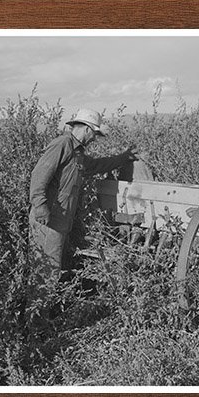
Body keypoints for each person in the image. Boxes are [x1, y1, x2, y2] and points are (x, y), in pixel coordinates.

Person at [28, 108, 135, 277]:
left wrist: (123, 158)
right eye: (94, 134)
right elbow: (38, 175)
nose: (94, 139)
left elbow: (96, 166)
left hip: (59, 220)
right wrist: (41, 207)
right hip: (48, 220)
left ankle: (46, 302)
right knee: (46, 272)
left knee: (51, 270)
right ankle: (39, 303)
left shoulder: (77, 153)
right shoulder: (63, 144)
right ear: (87, 129)